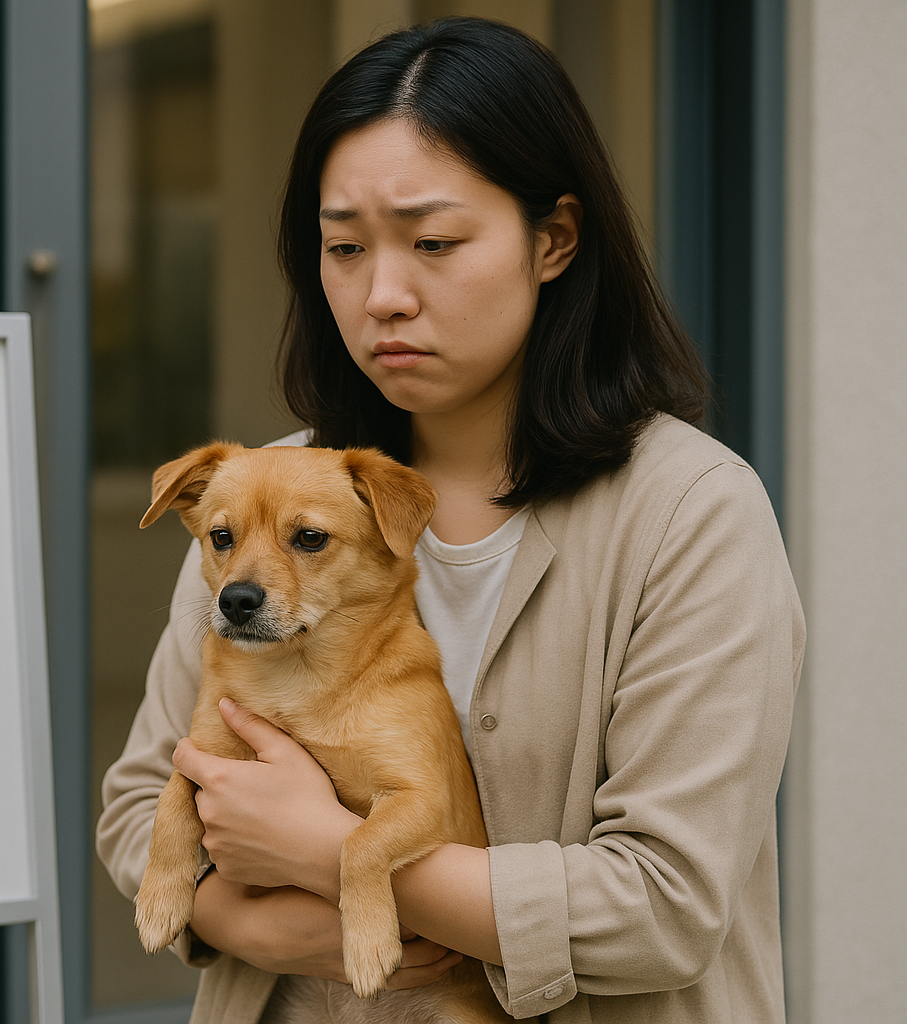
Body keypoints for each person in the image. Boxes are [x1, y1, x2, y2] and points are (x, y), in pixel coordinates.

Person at [96, 16, 802, 1024]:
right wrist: (236, 921)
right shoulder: (268, 496)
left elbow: (664, 907)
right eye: (345, 247)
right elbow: (139, 803)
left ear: (553, 240)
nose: (383, 294)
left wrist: (334, 855)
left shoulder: (689, 515)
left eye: (433, 242)